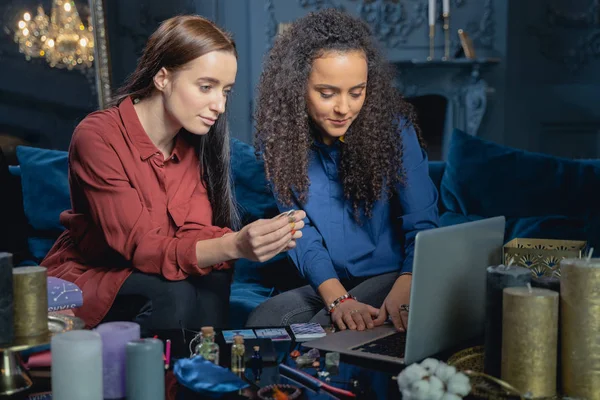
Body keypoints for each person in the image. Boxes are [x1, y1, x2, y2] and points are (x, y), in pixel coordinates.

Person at [42, 15, 305, 333]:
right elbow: (140, 247)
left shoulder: (191, 145)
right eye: (206, 87)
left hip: (152, 272)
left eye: (225, 91)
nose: (219, 106)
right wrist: (234, 244)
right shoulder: (97, 136)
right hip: (96, 274)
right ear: (163, 78)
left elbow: (194, 231)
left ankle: (203, 375)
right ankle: (165, 381)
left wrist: (252, 239)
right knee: (174, 293)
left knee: (214, 275)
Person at [247, 9, 439, 332]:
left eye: (356, 92)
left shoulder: (395, 131)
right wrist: (336, 297)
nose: (343, 108)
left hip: (393, 277)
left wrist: (407, 284)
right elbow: (300, 234)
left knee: (329, 330)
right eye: (327, 93)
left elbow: (423, 224)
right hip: (327, 281)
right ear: (298, 87)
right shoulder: (280, 141)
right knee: (263, 321)